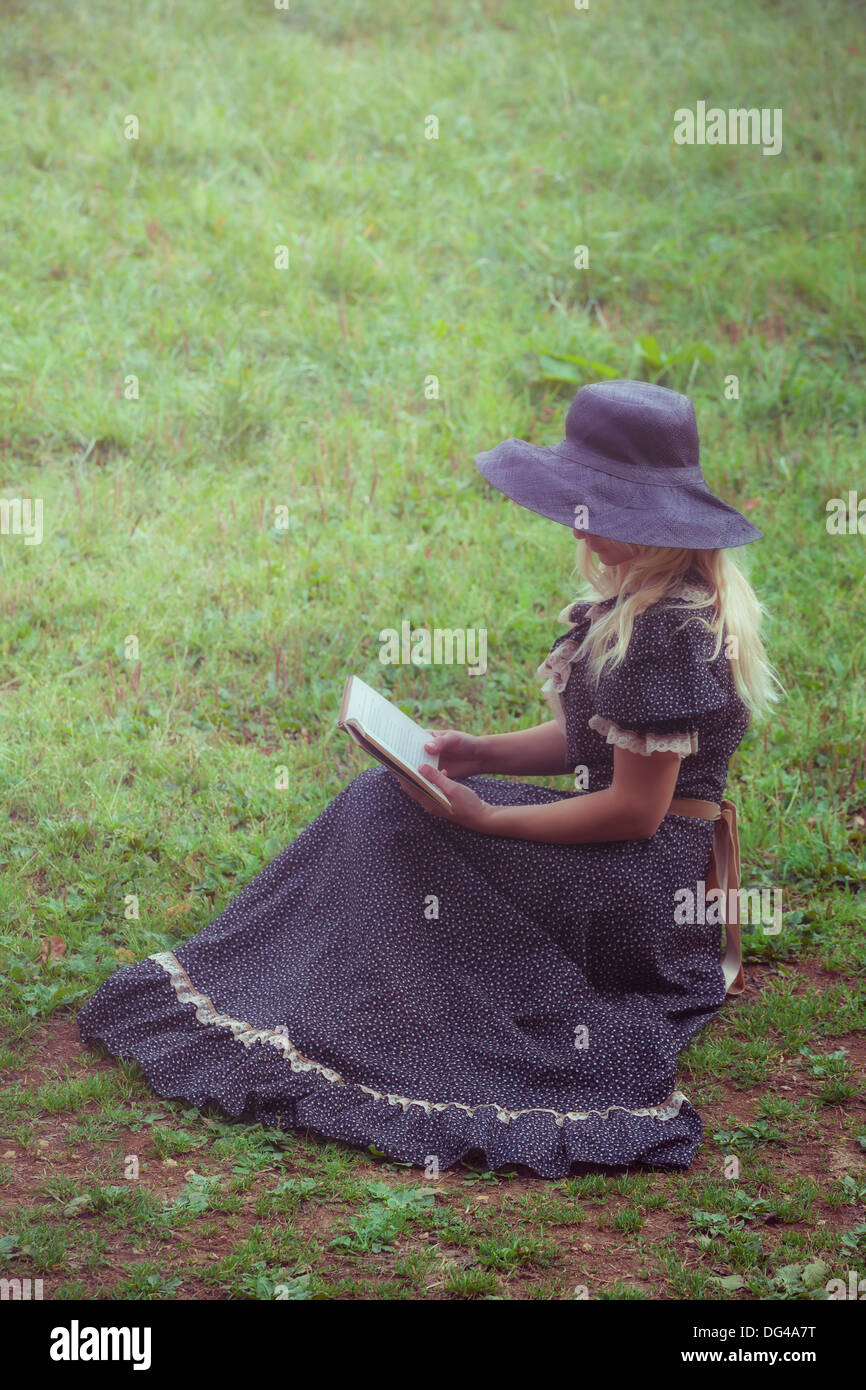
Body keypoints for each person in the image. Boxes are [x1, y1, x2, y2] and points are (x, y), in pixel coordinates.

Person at [78, 380, 778, 1176]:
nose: (583, 521)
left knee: (391, 819)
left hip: (636, 891)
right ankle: (312, 996)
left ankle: (320, 1007)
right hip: (622, 858)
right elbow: (594, 744)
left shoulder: (666, 632)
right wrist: (480, 752)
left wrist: (489, 820)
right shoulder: (644, 600)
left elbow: (633, 809)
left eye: (605, 505)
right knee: (385, 806)